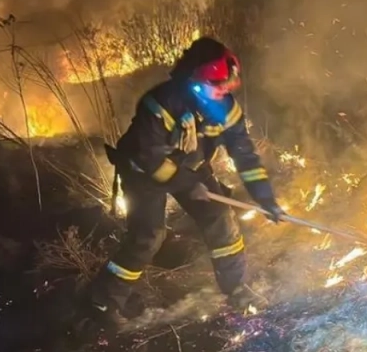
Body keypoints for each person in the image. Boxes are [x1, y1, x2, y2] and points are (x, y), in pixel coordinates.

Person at [88, 37, 284, 324]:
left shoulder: (226, 108)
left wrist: (265, 198)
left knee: (219, 216)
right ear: (194, 81)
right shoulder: (160, 105)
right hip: (143, 171)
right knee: (148, 236)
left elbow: (245, 155)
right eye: (218, 86)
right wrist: (189, 186)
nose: (224, 91)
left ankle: (236, 288)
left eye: (228, 86)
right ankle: (103, 302)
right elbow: (150, 160)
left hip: (191, 167)